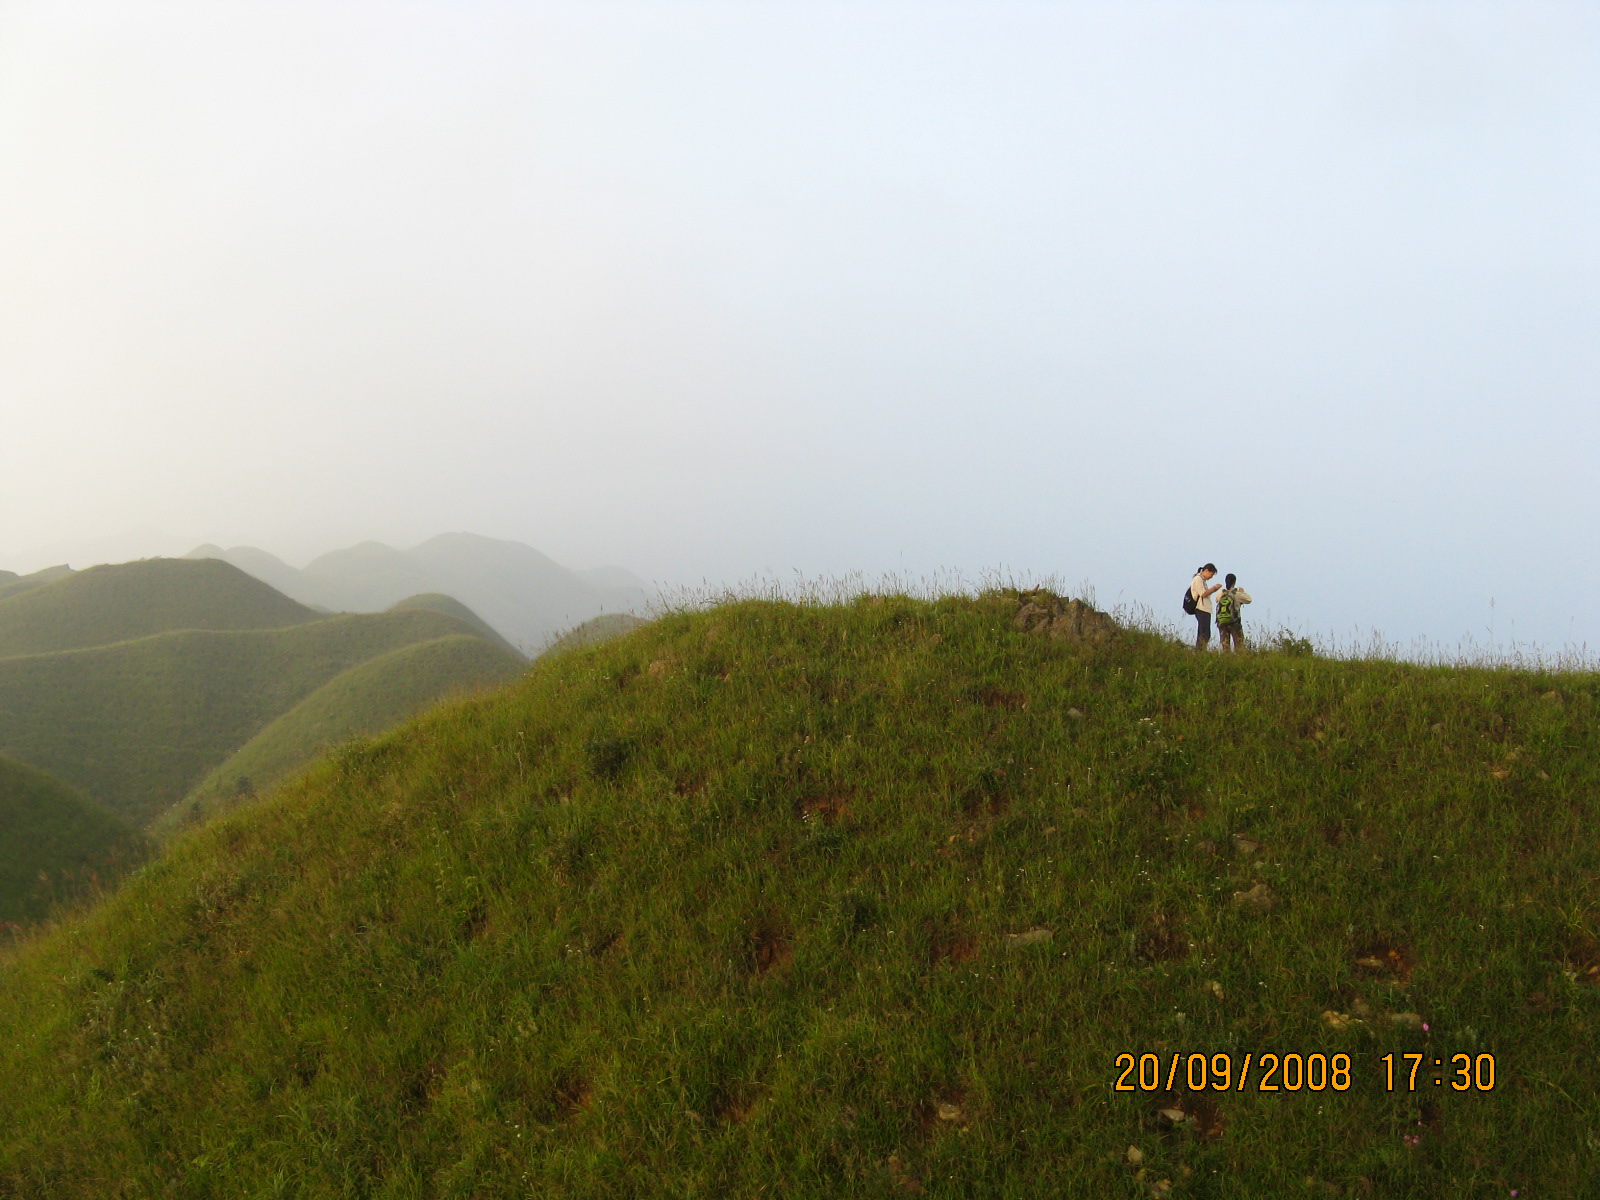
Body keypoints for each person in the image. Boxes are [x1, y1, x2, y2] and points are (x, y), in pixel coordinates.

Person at [1215, 572, 1253, 653]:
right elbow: (1249, 600)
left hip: (1222, 622)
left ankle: (1226, 661)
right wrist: (1242, 592)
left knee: (1225, 646)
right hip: (1234, 622)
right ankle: (1239, 661)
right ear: (1234, 582)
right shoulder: (1237, 594)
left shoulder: (1220, 593)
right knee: (1239, 645)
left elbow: (1216, 600)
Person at [1189, 563, 1221, 649]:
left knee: (1204, 632)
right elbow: (1203, 594)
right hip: (1201, 608)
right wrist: (1214, 588)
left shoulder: (1202, 580)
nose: (1211, 577)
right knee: (1204, 633)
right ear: (1206, 571)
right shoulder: (1198, 579)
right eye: (1211, 574)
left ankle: (1200, 650)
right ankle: (1199, 651)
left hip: (1205, 609)